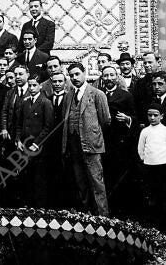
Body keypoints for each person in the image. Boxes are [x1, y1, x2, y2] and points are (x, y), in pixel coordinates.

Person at [62, 62, 110, 216]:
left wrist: (92, 135)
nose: (74, 78)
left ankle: (103, 218)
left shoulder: (97, 94)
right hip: (73, 146)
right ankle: (86, 217)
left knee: (97, 184)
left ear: (84, 73)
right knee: (80, 183)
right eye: (71, 75)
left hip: (91, 145)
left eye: (77, 74)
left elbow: (105, 120)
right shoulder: (69, 96)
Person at [137, 102, 166, 228]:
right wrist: (145, 160)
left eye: (155, 115)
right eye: (149, 115)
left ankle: (163, 224)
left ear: (161, 116)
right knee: (151, 194)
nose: (152, 118)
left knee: (163, 195)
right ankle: (151, 223)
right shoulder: (145, 131)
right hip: (149, 167)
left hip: (164, 168)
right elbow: (140, 149)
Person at [101, 64, 137, 214]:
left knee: (120, 177)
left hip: (120, 143)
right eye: (106, 76)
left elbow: (135, 116)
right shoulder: (98, 94)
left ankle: (122, 211)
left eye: (111, 75)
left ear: (117, 77)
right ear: (102, 78)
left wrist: (127, 118)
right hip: (102, 141)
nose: (109, 78)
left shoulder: (125, 95)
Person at [15, 73, 53, 207]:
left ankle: (39, 207)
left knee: (39, 178)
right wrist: (18, 139)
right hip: (24, 146)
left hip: (38, 147)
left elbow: (48, 127)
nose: (31, 88)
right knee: (26, 176)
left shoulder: (45, 102)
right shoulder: (25, 102)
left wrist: (37, 144)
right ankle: (27, 205)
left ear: (40, 86)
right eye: (29, 85)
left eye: (34, 85)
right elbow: (19, 124)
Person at [45, 71, 70, 207]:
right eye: (55, 82)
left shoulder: (69, 98)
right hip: (50, 143)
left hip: (64, 141)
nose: (57, 84)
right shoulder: (47, 99)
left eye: (60, 81)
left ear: (65, 83)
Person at [132, 51, 166, 125]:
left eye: (150, 62)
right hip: (145, 123)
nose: (147, 65)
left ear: (158, 63)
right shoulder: (139, 83)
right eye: (145, 63)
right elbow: (136, 106)